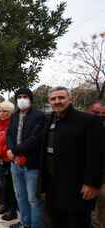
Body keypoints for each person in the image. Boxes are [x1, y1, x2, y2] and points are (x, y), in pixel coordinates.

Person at [41, 87, 103, 228]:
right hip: (53, 184)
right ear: (49, 101)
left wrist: (92, 183)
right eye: (53, 98)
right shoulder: (49, 119)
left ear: (70, 98)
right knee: (56, 220)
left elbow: (96, 155)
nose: (57, 101)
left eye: (61, 97)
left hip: (77, 186)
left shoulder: (88, 121)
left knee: (78, 222)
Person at [6, 88, 45, 228]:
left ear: (30, 99)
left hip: (31, 164)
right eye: (19, 97)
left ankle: (36, 225)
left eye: (25, 96)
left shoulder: (39, 116)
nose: (22, 99)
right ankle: (25, 223)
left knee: (33, 199)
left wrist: (15, 151)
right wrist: (11, 150)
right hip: (15, 163)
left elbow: (35, 139)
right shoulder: (14, 116)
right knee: (20, 196)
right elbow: (9, 135)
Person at [0, 101, 18, 221]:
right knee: (2, 185)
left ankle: (12, 210)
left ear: (10, 112)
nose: (1, 113)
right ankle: (5, 205)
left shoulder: (12, 125)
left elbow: (10, 142)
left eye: (4, 111)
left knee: (10, 186)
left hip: (8, 158)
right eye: (0, 111)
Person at [86, 100, 105, 228]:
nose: (99, 116)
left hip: (102, 180)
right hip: (84, 179)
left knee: (100, 214)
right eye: (95, 112)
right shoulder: (81, 127)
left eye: (103, 114)